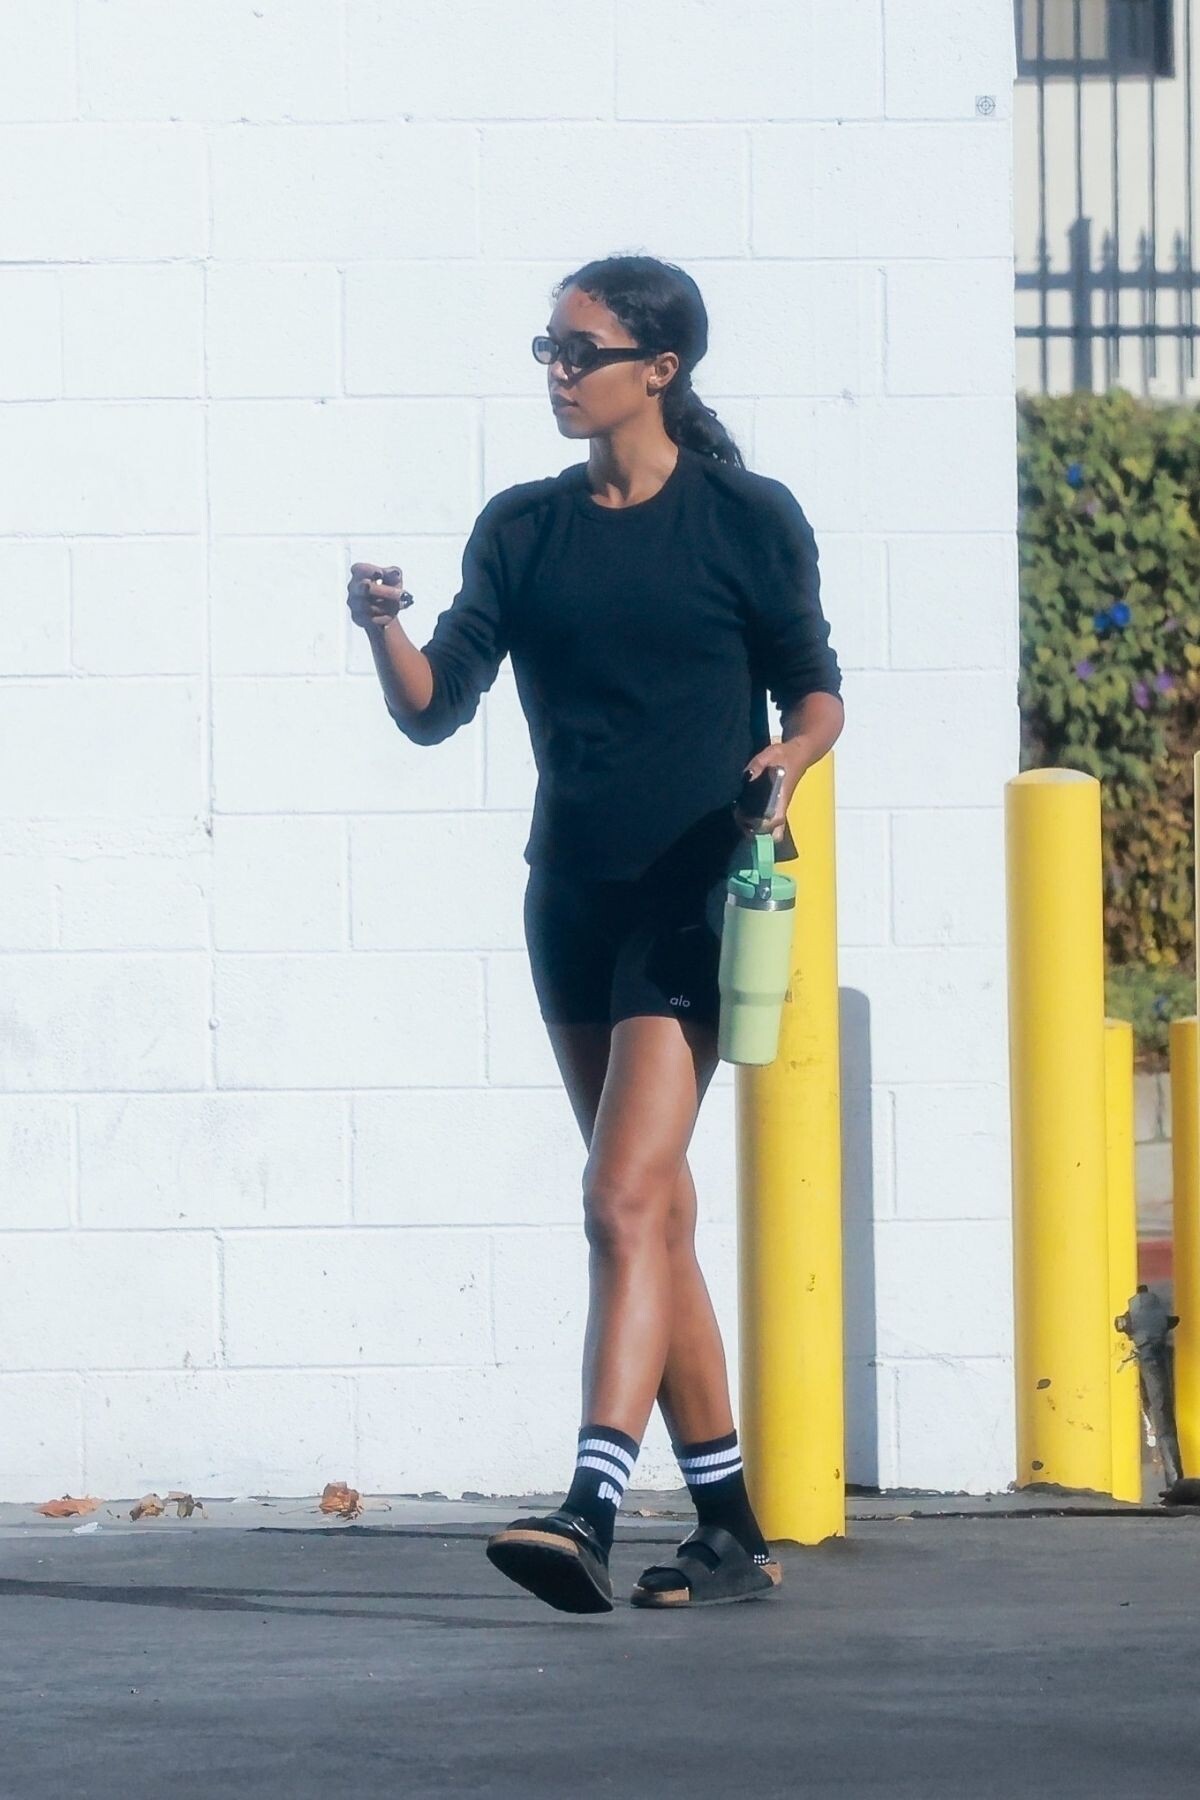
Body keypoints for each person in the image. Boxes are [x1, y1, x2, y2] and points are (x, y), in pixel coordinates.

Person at [346, 254, 845, 1614]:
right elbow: (435, 705)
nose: (559, 374)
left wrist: (791, 760)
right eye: (549, 350)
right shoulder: (524, 528)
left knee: (620, 1200)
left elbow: (814, 691)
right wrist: (385, 630)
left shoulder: (746, 518)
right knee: (654, 1211)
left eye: (583, 351)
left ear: (660, 370)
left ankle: (591, 1505)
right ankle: (731, 1532)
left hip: (696, 898)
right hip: (569, 902)